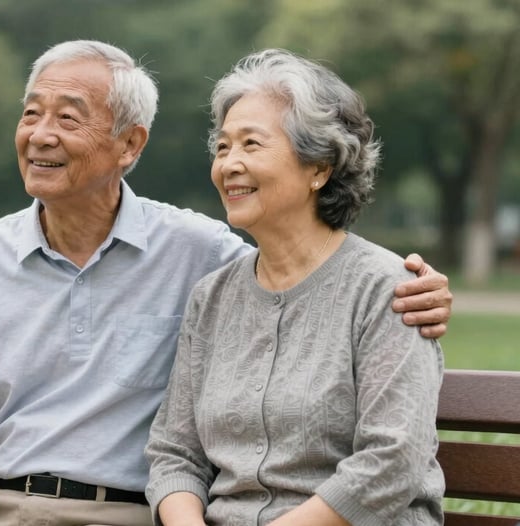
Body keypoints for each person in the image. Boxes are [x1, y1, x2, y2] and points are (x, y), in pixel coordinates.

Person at [0, 41, 452, 526]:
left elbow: (312, 267)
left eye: (68, 118)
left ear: (130, 144)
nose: (41, 135)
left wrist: (420, 286)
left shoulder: (201, 254)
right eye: (31, 113)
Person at [145, 48, 445, 526]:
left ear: (319, 167)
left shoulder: (386, 289)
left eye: (251, 144)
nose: (229, 164)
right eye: (223, 147)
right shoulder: (213, 298)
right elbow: (174, 452)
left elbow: (392, 459)